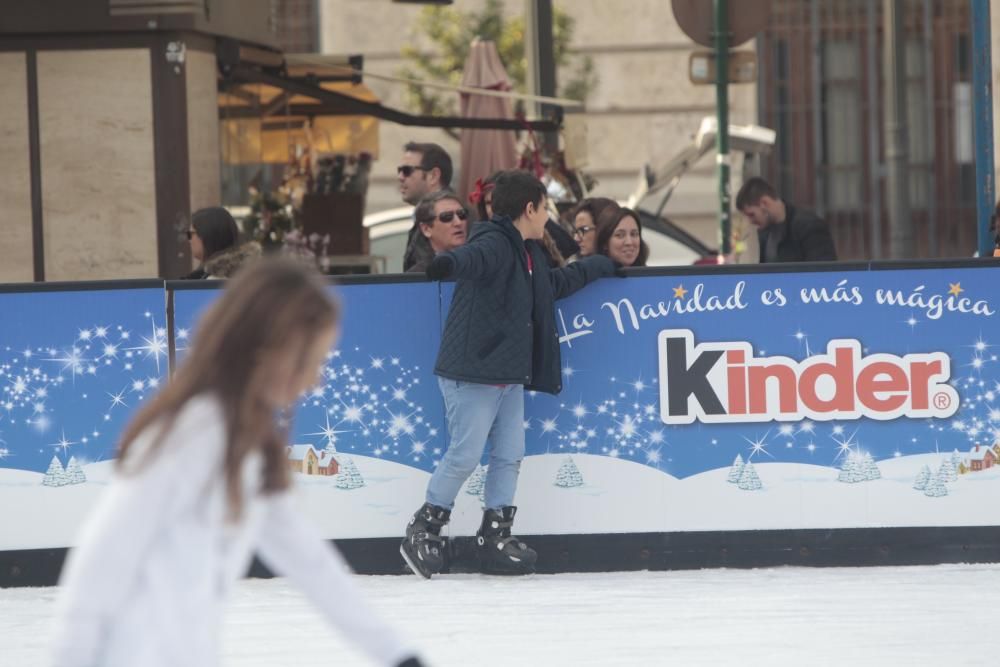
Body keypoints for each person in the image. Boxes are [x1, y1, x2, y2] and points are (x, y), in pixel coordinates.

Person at [50, 258, 425, 667]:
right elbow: (101, 560)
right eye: (311, 360)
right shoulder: (191, 433)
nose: (315, 379)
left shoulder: (245, 443)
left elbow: (310, 562)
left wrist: (397, 654)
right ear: (268, 352)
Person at [400, 170, 615, 579]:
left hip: (506, 372)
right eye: (544, 208)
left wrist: (596, 266)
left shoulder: (527, 251)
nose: (547, 217)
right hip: (474, 370)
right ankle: (423, 528)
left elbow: (552, 284)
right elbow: (472, 259)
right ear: (529, 208)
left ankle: (494, 535)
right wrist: (446, 263)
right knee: (464, 455)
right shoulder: (494, 242)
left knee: (508, 456)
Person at [735, 177, 838, 263]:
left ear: (764, 203)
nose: (751, 221)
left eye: (752, 215)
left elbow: (823, 271)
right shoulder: (765, 233)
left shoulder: (809, 226)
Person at [399, 142, 453, 272]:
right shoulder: (427, 213)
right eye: (399, 170)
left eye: (407, 170)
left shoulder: (450, 216)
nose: (400, 177)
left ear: (433, 176)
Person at [406, 191, 469, 273]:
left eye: (462, 214)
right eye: (447, 217)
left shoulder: (481, 265)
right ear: (426, 229)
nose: (458, 222)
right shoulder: (417, 277)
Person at [183, 207, 243, 279]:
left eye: (190, 234)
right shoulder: (247, 275)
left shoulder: (213, 281)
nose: (189, 240)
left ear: (207, 235)